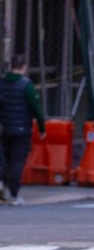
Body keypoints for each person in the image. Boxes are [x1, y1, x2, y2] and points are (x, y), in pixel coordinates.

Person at [0, 55, 45, 205]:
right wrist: (41, 127)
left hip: (5, 128)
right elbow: (36, 108)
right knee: (17, 161)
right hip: (22, 129)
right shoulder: (26, 85)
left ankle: (3, 183)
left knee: (5, 157)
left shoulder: (2, 83)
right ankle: (13, 193)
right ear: (24, 67)